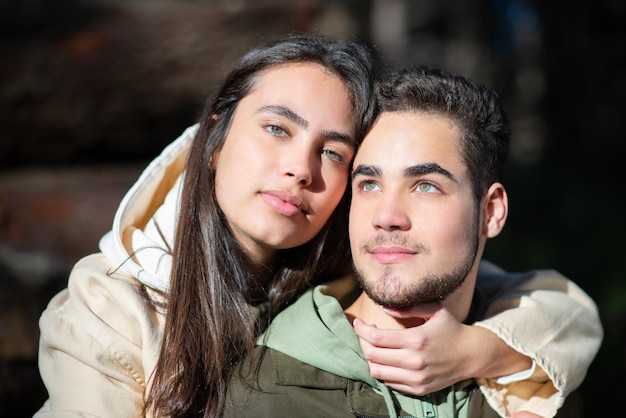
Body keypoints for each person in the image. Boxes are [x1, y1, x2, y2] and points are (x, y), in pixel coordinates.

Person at [35, 33, 599, 417]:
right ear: (214, 140)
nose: (299, 169)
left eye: (332, 153)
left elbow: (562, 309)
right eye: (278, 129)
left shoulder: (353, 259)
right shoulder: (112, 306)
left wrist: (480, 352)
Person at [223, 65, 603, 417]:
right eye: (369, 184)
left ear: (491, 212)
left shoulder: (532, 380)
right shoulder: (263, 395)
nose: (386, 216)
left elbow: (571, 314)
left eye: (425, 186)